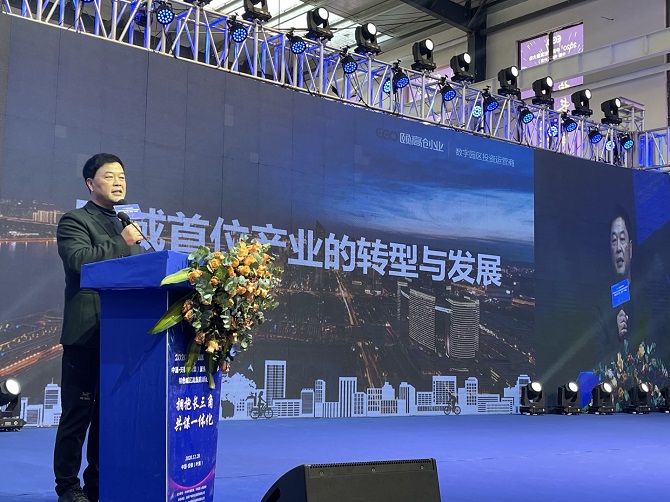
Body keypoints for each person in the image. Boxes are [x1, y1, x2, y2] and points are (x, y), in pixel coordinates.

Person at [53, 154, 144, 502]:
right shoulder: (75, 220)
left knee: (108, 419)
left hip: (120, 337)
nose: (119, 182)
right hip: (87, 335)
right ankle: (68, 488)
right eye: (110, 176)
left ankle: (98, 485)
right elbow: (79, 263)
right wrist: (123, 241)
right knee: (77, 416)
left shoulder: (123, 223)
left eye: (122, 176)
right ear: (91, 183)